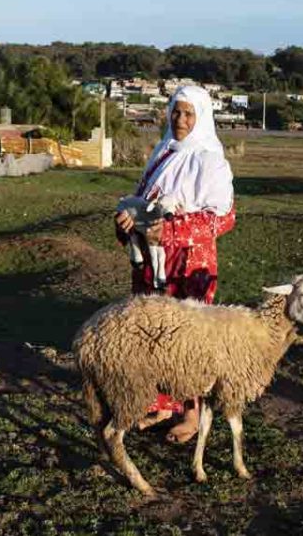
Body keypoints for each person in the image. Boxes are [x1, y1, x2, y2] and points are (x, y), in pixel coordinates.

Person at [114, 85, 236, 443]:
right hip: (154, 261)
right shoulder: (164, 151)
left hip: (189, 263)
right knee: (154, 334)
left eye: (188, 114)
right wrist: (128, 218)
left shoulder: (210, 160)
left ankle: (192, 413)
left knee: (187, 339)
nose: (180, 120)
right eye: (175, 112)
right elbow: (143, 199)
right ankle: (161, 403)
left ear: (201, 117)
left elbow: (223, 219)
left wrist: (169, 230)